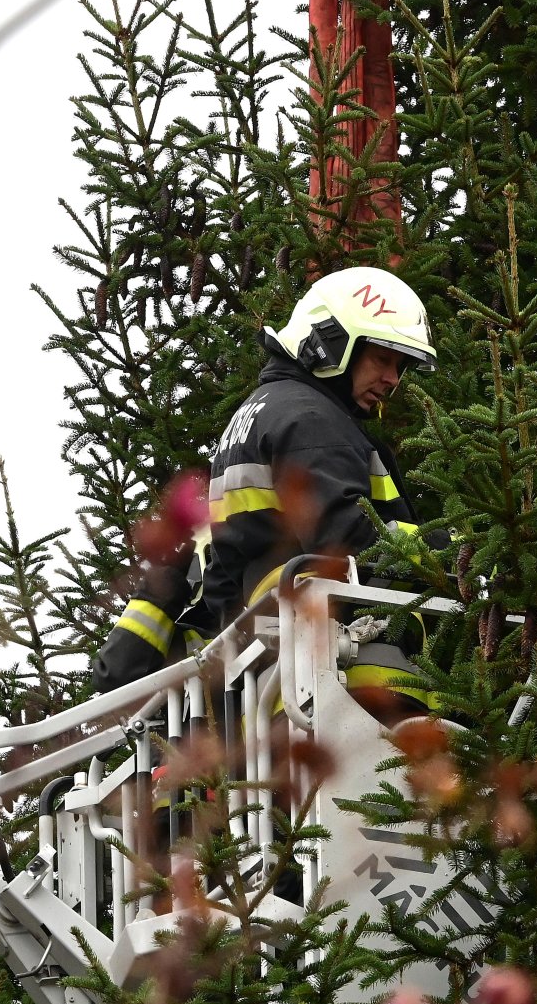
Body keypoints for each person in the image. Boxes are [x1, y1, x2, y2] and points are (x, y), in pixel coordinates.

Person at [92, 266, 438, 717]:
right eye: (382, 358)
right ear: (330, 342)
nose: (393, 379)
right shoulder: (311, 419)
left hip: (279, 684)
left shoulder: (261, 412)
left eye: (401, 366)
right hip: (354, 687)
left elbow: (227, 573)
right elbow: (347, 537)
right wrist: (449, 553)